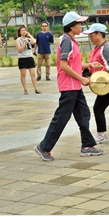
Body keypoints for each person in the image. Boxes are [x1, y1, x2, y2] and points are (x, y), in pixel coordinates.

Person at [34, 11, 104, 161]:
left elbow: (74, 63)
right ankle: (44, 147)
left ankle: (87, 146)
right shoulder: (66, 41)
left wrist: (89, 64)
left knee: (83, 114)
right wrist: (82, 79)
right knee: (61, 118)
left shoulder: (71, 41)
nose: (81, 26)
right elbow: (64, 66)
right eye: (79, 24)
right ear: (72, 26)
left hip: (74, 86)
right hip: (69, 86)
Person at [15, 25, 42, 95]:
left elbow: (34, 41)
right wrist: (25, 43)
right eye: (22, 30)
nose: (24, 32)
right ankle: (25, 89)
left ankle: (36, 89)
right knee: (23, 75)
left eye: (25, 30)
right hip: (22, 58)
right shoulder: (18, 40)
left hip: (29, 57)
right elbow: (20, 50)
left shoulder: (28, 38)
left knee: (33, 74)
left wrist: (29, 35)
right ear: (19, 32)